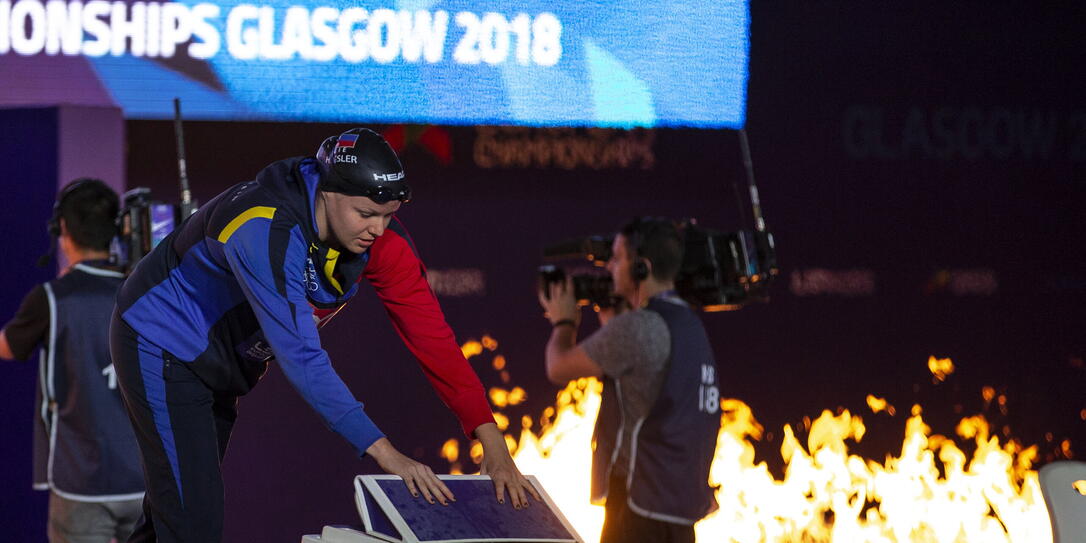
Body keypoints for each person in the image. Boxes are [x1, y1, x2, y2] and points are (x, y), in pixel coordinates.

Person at [110, 128, 538, 542]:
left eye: (389, 216)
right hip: (160, 341)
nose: (378, 229)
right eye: (366, 214)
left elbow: (433, 340)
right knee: (192, 520)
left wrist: (491, 439)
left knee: (173, 515)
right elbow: (302, 357)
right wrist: (387, 454)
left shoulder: (381, 242)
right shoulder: (263, 228)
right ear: (327, 191)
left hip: (220, 361)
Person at [538, 218, 721, 543]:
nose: (609, 266)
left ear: (642, 268)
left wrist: (563, 320)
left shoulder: (639, 328)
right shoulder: (690, 325)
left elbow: (559, 367)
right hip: (678, 513)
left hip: (637, 513)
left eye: (618, 257)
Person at [1, 179, 144, 543]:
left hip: (81, 483)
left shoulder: (51, 298)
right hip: (146, 482)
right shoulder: (143, 291)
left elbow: (8, 347)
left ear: (61, 228)